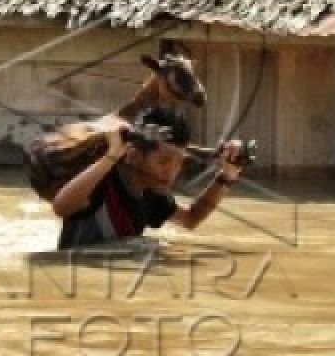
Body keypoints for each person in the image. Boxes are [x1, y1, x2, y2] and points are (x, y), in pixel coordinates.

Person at [50, 107, 245, 250]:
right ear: (133, 155)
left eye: (179, 163)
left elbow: (190, 219)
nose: (171, 173)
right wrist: (111, 155)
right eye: (163, 161)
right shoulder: (103, 179)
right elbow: (61, 207)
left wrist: (227, 176)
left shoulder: (153, 195)